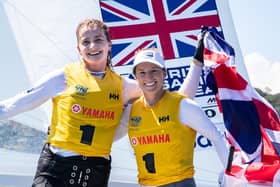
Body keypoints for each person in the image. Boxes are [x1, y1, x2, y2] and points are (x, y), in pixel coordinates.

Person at [0, 19, 203, 187]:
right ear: (78, 49)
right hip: (56, 167)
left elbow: (179, 101)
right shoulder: (62, 77)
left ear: (108, 45)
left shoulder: (124, 86)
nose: (92, 46)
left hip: (95, 171)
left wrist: (197, 63)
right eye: (85, 42)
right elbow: (15, 104)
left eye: (98, 40)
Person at [126, 48, 229, 187]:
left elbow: (217, 137)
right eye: (142, 73)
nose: (148, 77)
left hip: (180, 183)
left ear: (164, 73)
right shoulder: (132, 110)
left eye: (154, 71)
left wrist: (232, 175)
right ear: (136, 77)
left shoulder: (183, 105)